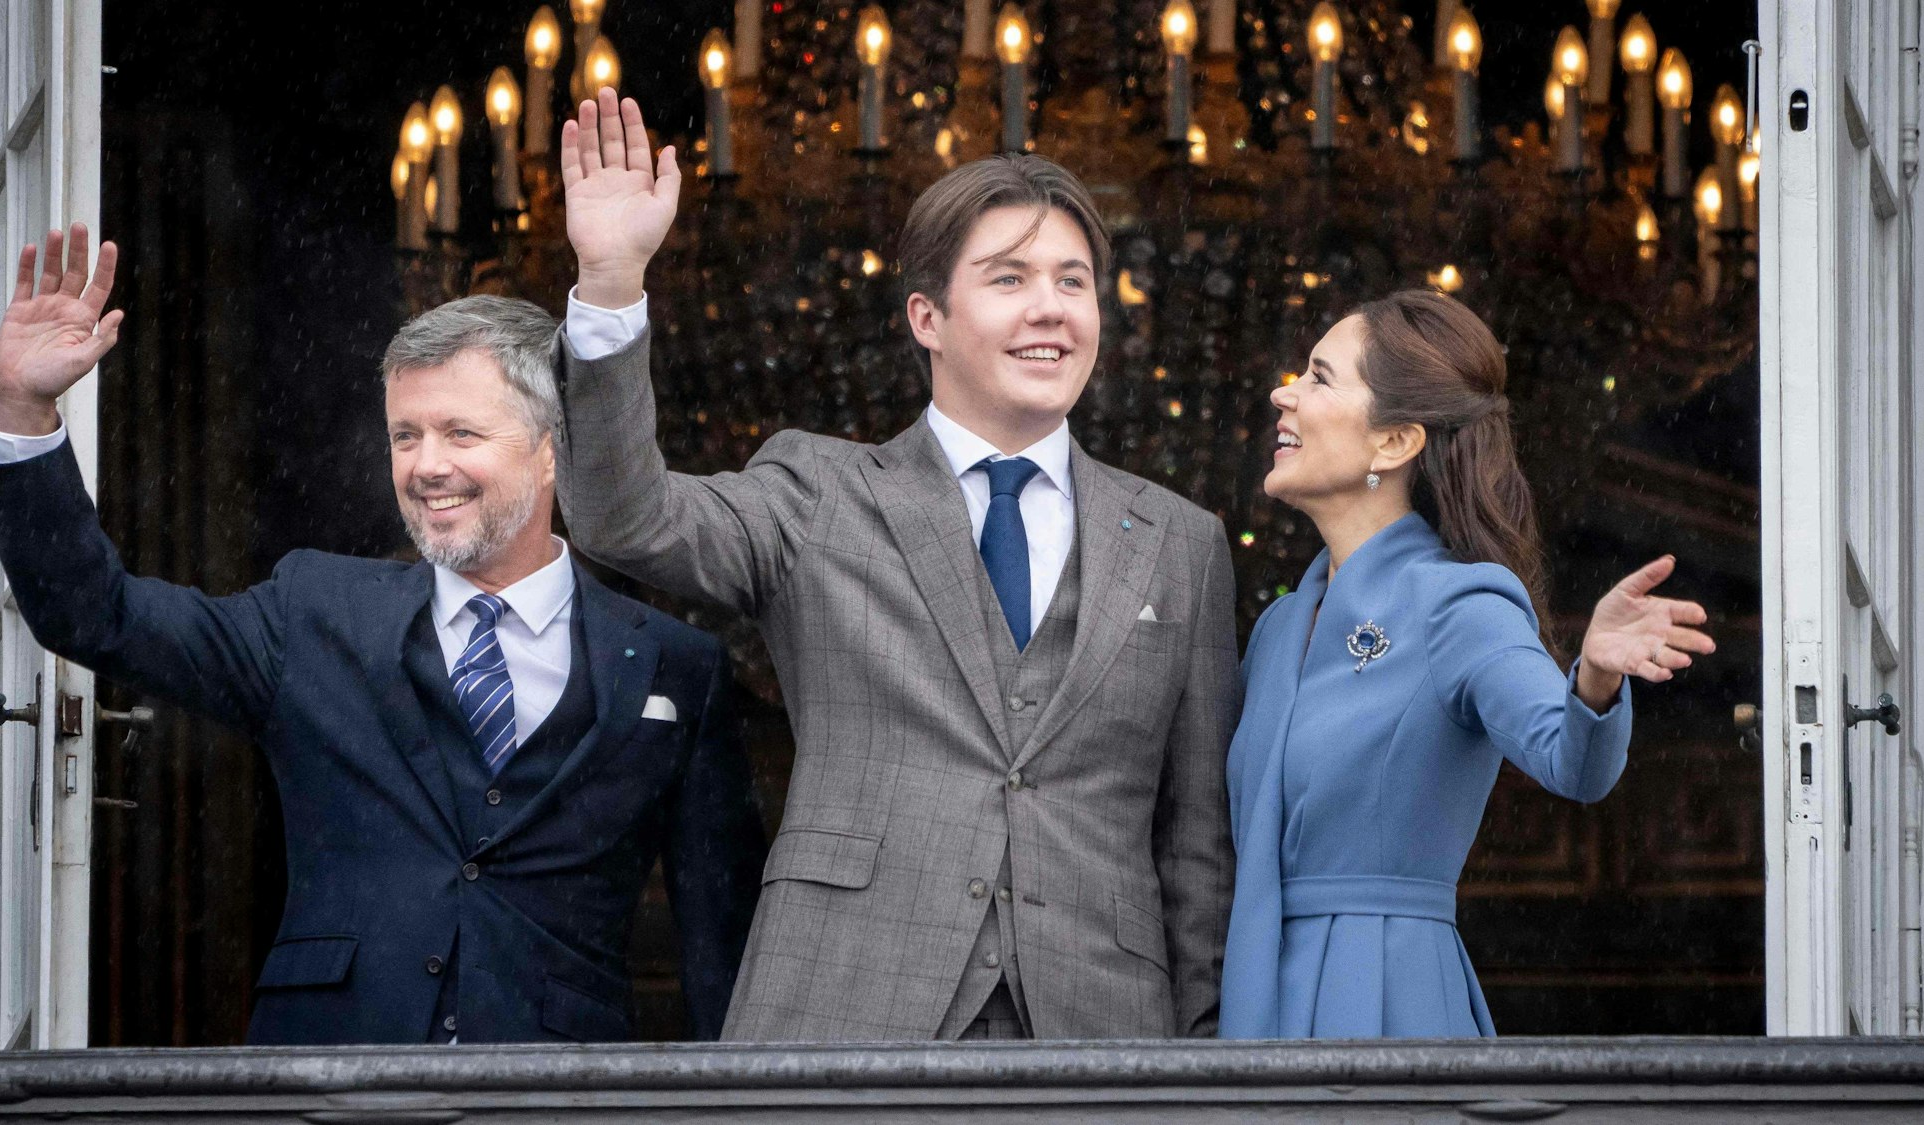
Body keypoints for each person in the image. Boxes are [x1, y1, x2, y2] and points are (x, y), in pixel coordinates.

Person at [0, 225, 766, 1045]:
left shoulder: (674, 665)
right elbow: (96, 616)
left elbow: (722, 942)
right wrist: (27, 413)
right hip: (330, 1069)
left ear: (551, 451)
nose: (426, 465)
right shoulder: (314, 610)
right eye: (405, 435)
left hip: (555, 1088)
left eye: (461, 433)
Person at [551, 91, 1237, 1040]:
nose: (1050, 308)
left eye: (1073, 281)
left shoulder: (1181, 538)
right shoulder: (818, 492)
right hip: (847, 1005)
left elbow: (1198, 842)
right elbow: (625, 517)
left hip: (1103, 1029)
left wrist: (1201, 1059)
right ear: (927, 315)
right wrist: (614, 279)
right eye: (1008, 279)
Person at [1219, 289, 1716, 1038]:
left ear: (1394, 443)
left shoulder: (1462, 604)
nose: (1282, 394)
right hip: (1260, 990)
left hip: (1385, 998)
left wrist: (1596, 677)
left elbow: (1571, 761)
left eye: (1319, 377)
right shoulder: (1281, 626)